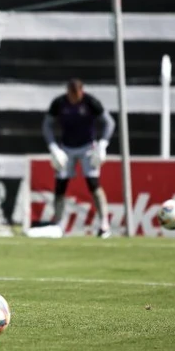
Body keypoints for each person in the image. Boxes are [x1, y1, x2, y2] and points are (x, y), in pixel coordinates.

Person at [43, 79, 115, 237]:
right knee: (60, 185)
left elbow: (109, 122)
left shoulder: (90, 102)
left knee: (93, 184)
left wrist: (102, 144)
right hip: (66, 148)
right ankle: (58, 224)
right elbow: (47, 125)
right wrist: (53, 147)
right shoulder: (59, 103)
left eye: (77, 94)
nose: (74, 97)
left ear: (81, 91)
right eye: (71, 94)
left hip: (88, 148)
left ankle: (104, 225)